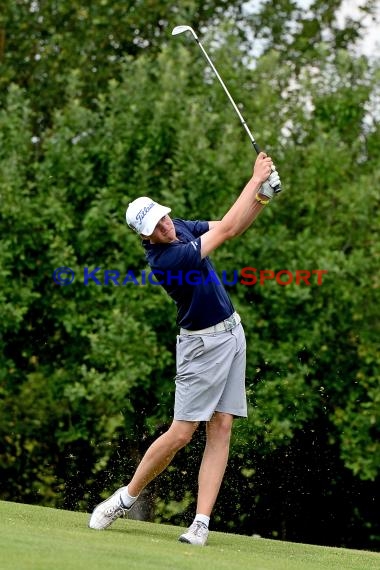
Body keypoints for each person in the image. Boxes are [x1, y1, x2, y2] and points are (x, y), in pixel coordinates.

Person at [89, 152, 281, 545]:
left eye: (163, 217)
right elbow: (226, 228)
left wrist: (261, 197)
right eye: (155, 226)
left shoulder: (175, 227)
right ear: (144, 237)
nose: (165, 226)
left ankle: (200, 524)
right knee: (181, 433)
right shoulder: (166, 258)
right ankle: (126, 497)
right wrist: (255, 177)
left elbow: (233, 227)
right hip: (201, 345)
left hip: (232, 334)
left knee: (222, 426)